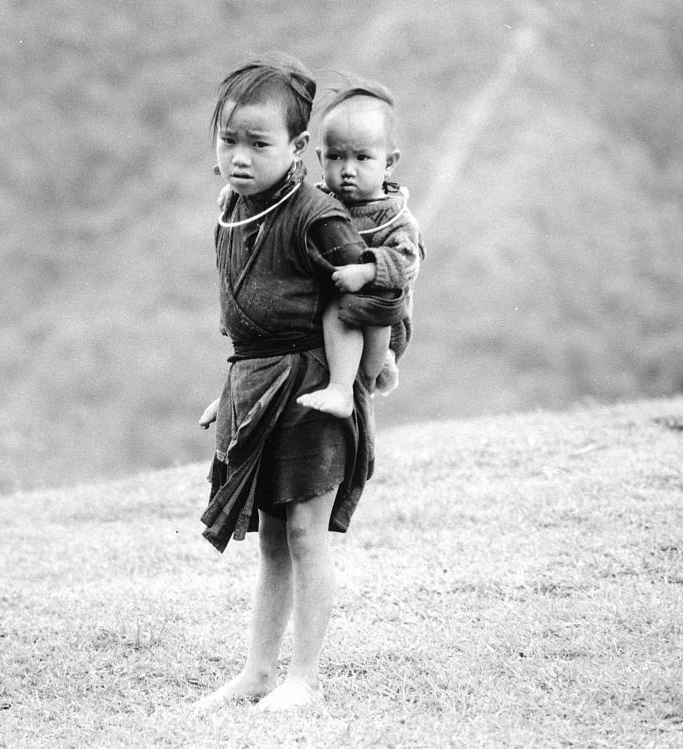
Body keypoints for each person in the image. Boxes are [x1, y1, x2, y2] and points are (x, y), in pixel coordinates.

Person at [194, 53, 376, 713]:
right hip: (258, 385)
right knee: (271, 538)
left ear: (297, 147)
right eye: (229, 140)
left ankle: (305, 677)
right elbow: (252, 321)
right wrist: (236, 386)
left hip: (315, 390)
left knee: (306, 532)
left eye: (258, 143)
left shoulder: (316, 215)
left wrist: (355, 375)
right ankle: (257, 671)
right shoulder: (236, 209)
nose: (240, 156)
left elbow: (364, 296)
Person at [296, 80, 424, 418]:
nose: (348, 170)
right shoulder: (319, 199)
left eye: (362, 158)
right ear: (321, 156)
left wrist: (368, 271)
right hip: (321, 313)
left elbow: (409, 261)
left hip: (378, 323)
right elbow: (286, 209)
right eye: (336, 157)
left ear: (389, 163)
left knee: (343, 306)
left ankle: (347, 388)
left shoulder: (393, 216)